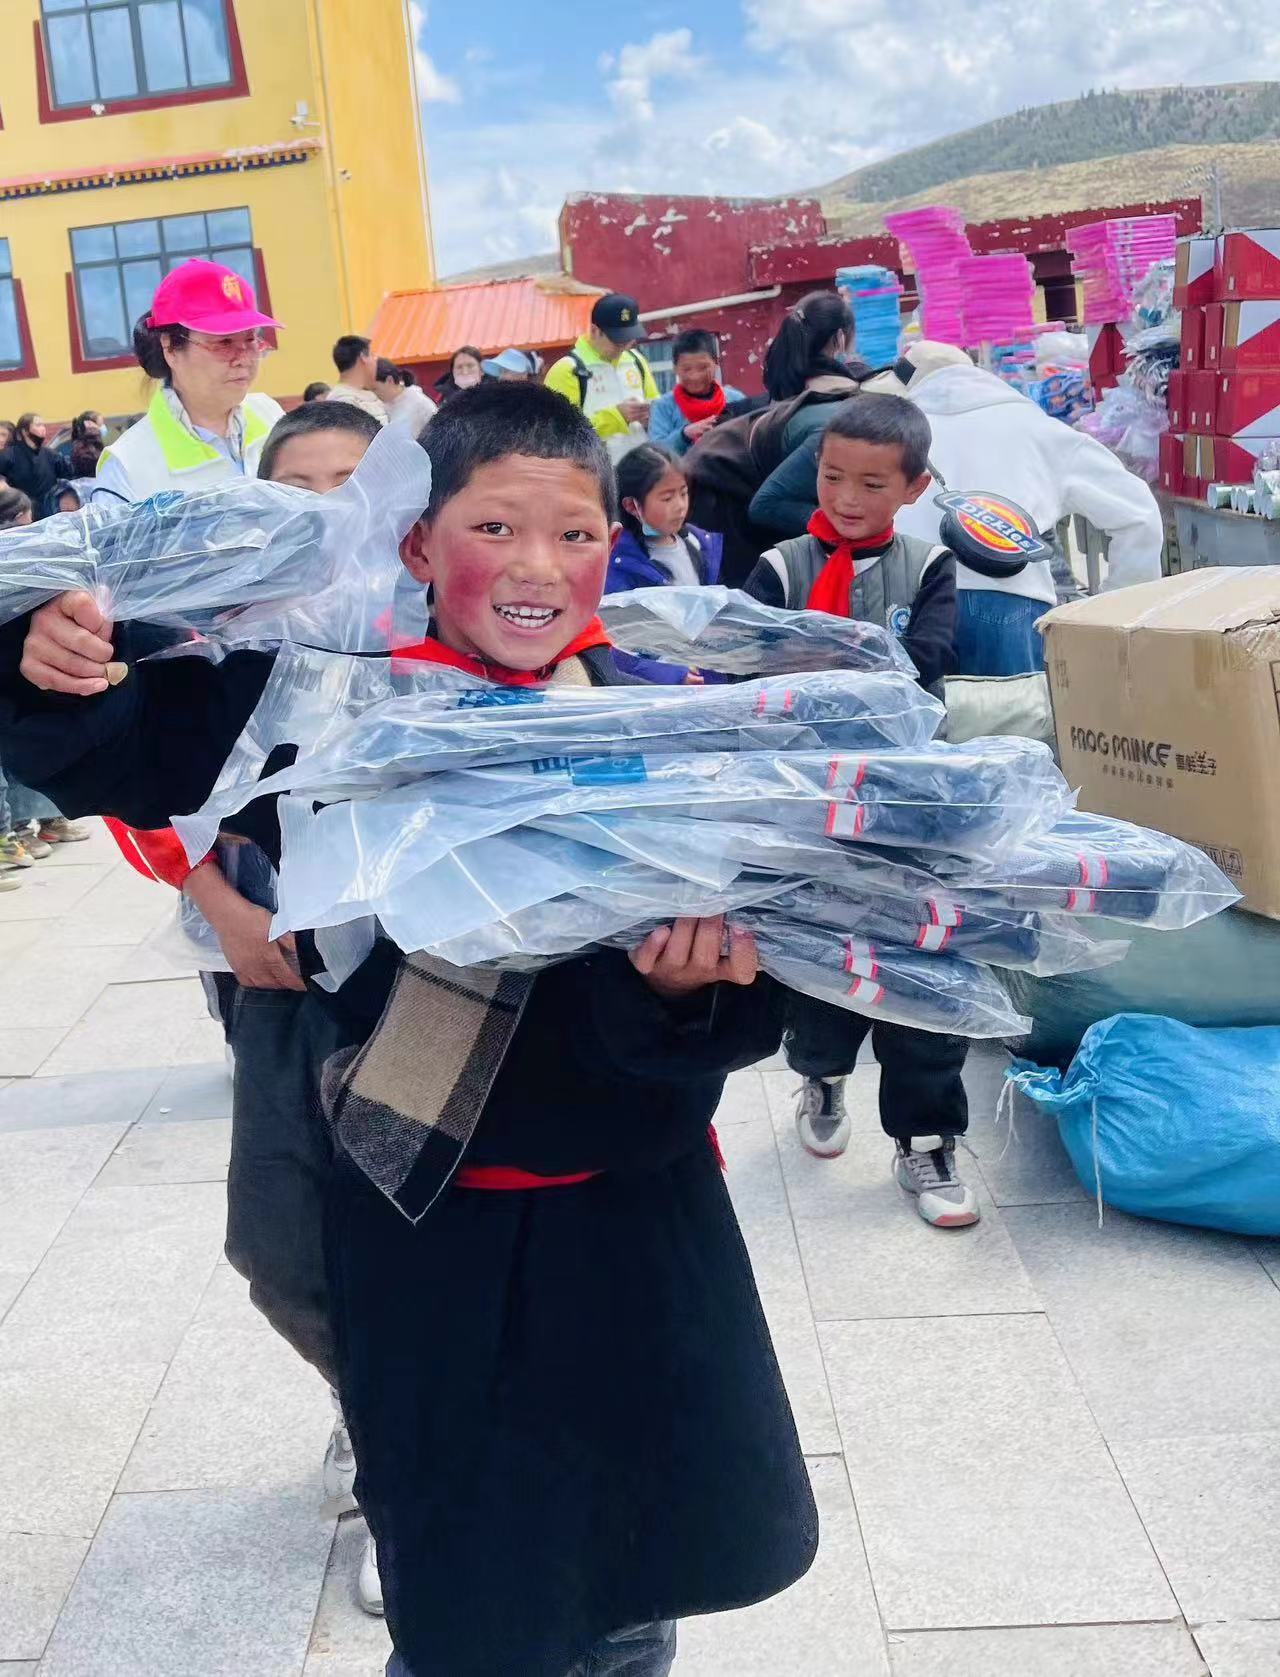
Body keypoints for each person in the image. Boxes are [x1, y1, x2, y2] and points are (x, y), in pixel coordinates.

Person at [2, 381, 818, 1677]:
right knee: (473, 1601)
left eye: (574, 533)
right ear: (420, 546)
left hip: (636, 1227)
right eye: (495, 527)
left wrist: (689, 993)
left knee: (631, 1572)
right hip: (433, 1231)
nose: (538, 565)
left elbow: (758, 973)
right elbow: (118, 746)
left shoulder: (657, 718)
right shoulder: (320, 706)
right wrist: (57, 655)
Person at [103, 395, 386, 1610]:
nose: (324, 511)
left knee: (408, 1218)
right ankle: (366, 1396)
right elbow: (138, 791)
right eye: (298, 489)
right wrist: (221, 906)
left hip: (419, 984)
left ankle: (401, 1461)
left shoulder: (429, 623)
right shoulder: (206, 636)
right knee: (276, 1241)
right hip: (268, 974)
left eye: (351, 486)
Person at [742, 394, 977, 1228]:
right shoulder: (780, 568)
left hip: (912, 806)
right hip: (811, 804)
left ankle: (927, 1138)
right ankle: (820, 1072)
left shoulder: (929, 565)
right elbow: (749, 660)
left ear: (914, 488)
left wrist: (820, 663)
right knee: (824, 952)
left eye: (872, 484)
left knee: (923, 961)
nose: (846, 497)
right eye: (833, 476)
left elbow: (930, 656)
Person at [753, 341, 1166, 674]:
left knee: (914, 737)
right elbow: (1138, 516)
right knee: (1016, 741)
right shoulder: (1038, 428)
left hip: (904, 599)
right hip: (1009, 603)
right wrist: (1116, 613)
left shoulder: (900, 432)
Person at [682, 292, 867, 586]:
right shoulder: (835, 424)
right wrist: (845, 525)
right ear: (841, 339)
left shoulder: (801, 382)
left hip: (730, 489)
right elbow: (767, 504)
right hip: (720, 501)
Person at [96, 260, 284, 502]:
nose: (243, 359)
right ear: (170, 349)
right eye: (224, 343)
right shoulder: (128, 467)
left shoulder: (270, 415)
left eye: (250, 340)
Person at [0, 487, 88, 863]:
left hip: (25, 674)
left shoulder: (30, 553)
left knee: (36, 748)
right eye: (24, 517)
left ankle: (45, 820)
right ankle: (12, 834)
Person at [605, 443, 723, 685]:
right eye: (667, 498)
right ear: (631, 506)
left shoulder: (698, 544)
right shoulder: (619, 565)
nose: (680, 506)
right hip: (661, 688)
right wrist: (673, 675)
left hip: (704, 675)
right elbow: (615, 644)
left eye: (683, 493)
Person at [544, 293, 659, 461]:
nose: (624, 347)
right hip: (595, 470)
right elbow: (558, 432)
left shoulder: (637, 361)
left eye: (629, 339)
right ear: (594, 331)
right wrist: (617, 417)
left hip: (643, 465)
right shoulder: (568, 369)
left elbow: (657, 408)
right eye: (617, 341)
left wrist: (650, 416)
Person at [647, 329, 744, 456]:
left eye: (703, 367)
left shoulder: (736, 399)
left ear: (716, 363)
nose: (695, 376)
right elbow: (655, 454)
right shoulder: (663, 406)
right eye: (686, 369)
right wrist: (684, 435)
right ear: (675, 368)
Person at [0, 413, 72, 516]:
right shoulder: (8, 455)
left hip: (49, 513)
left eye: (43, 425)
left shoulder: (50, 454)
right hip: (21, 514)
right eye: (38, 425)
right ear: (25, 431)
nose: (43, 429)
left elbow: (68, 476)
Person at [328, 335, 388, 426]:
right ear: (363, 357)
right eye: (372, 355)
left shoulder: (369, 394)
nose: (375, 361)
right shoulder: (343, 400)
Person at [373, 359, 438, 433]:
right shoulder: (388, 405)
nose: (375, 395)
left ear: (389, 380)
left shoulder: (419, 403)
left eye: (375, 389)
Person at [54, 412, 107, 481]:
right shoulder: (82, 447)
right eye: (100, 424)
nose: (103, 427)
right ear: (89, 424)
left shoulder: (94, 444)